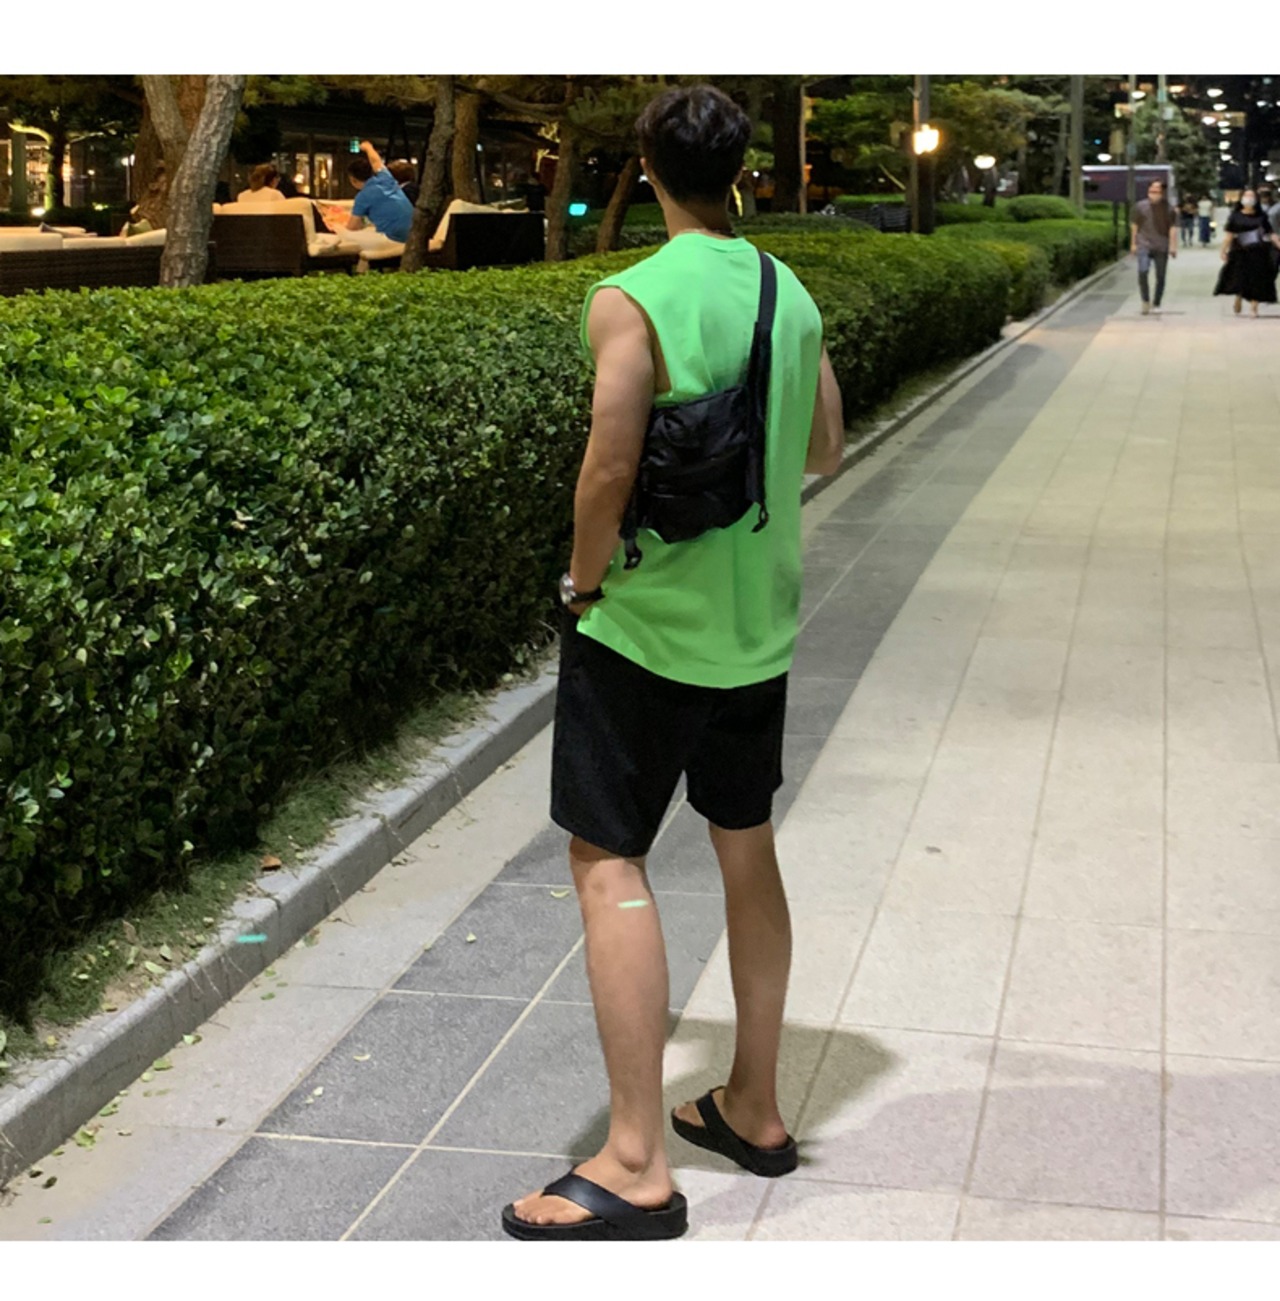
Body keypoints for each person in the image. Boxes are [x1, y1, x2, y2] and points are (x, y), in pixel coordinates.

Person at [501, 83, 844, 1242]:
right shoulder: (786, 289)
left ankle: (636, 1159)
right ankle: (753, 1105)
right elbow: (824, 447)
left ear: (647, 167)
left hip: (645, 634)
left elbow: (607, 469)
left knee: (610, 862)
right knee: (744, 846)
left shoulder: (631, 297)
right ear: (738, 169)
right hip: (757, 634)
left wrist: (580, 584)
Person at [328, 140, 413, 244]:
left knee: (343, 232)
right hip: (414, 232)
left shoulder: (362, 197)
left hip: (394, 238)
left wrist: (339, 229)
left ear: (353, 180)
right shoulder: (385, 178)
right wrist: (368, 148)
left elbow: (353, 228)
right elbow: (376, 162)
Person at [1213, 188, 1280, 317]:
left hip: (1259, 252)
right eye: (1246, 196)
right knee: (1240, 278)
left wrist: (1278, 243)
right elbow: (1229, 235)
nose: (1249, 199)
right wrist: (1223, 251)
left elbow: (1270, 233)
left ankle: (1254, 307)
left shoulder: (1261, 216)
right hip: (1240, 252)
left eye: (1251, 196)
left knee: (1257, 279)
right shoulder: (1235, 216)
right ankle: (1239, 297)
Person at [1130, 178, 1178, 315]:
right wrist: (1133, 243)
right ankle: (1145, 300)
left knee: (1160, 275)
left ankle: (1157, 302)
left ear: (1162, 192)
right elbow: (1135, 226)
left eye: (1157, 191)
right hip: (1144, 244)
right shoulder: (1140, 207)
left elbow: (1173, 228)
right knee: (1143, 271)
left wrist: (1173, 246)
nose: (1154, 193)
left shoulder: (1169, 209)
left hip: (1161, 245)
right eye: (1152, 190)